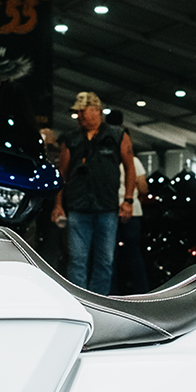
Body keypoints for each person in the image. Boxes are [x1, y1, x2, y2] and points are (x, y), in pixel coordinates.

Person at [51, 92, 135, 293]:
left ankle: (99, 304)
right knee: (76, 260)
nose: (79, 116)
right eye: (77, 112)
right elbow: (61, 174)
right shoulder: (71, 139)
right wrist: (58, 205)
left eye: (83, 111)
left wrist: (128, 201)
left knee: (105, 261)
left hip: (107, 209)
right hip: (78, 209)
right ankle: (79, 302)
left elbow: (130, 168)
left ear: (96, 110)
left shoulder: (117, 135)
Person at [107, 109, 150, 295]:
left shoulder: (106, 161)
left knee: (110, 256)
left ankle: (112, 292)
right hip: (133, 211)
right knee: (134, 254)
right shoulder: (134, 161)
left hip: (111, 210)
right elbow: (144, 188)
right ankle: (142, 290)